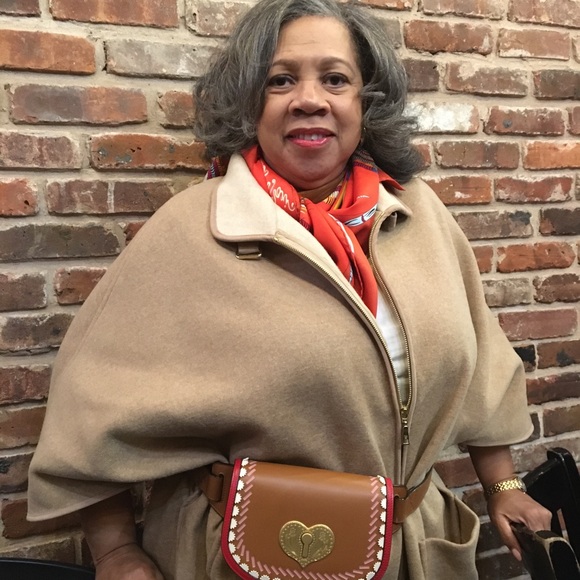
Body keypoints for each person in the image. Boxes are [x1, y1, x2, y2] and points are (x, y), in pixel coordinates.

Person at [27, 0, 551, 578]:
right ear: (250, 102)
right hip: (239, 556)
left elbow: (480, 363)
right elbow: (91, 407)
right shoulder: (190, 230)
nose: (309, 99)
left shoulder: (418, 213)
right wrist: (116, 552)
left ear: (366, 100)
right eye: (280, 80)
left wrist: (502, 486)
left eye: (335, 79)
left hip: (414, 551)